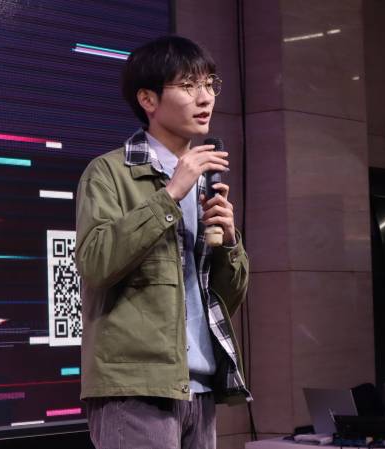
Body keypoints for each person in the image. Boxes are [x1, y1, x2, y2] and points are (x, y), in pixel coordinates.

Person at [74, 35, 252, 449]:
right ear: (148, 100)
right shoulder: (109, 173)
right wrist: (170, 194)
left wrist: (229, 244)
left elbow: (224, 301)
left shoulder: (206, 182)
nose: (205, 97)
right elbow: (95, 263)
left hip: (200, 387)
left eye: (209, 84)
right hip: (136, 388)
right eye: (188, 86)